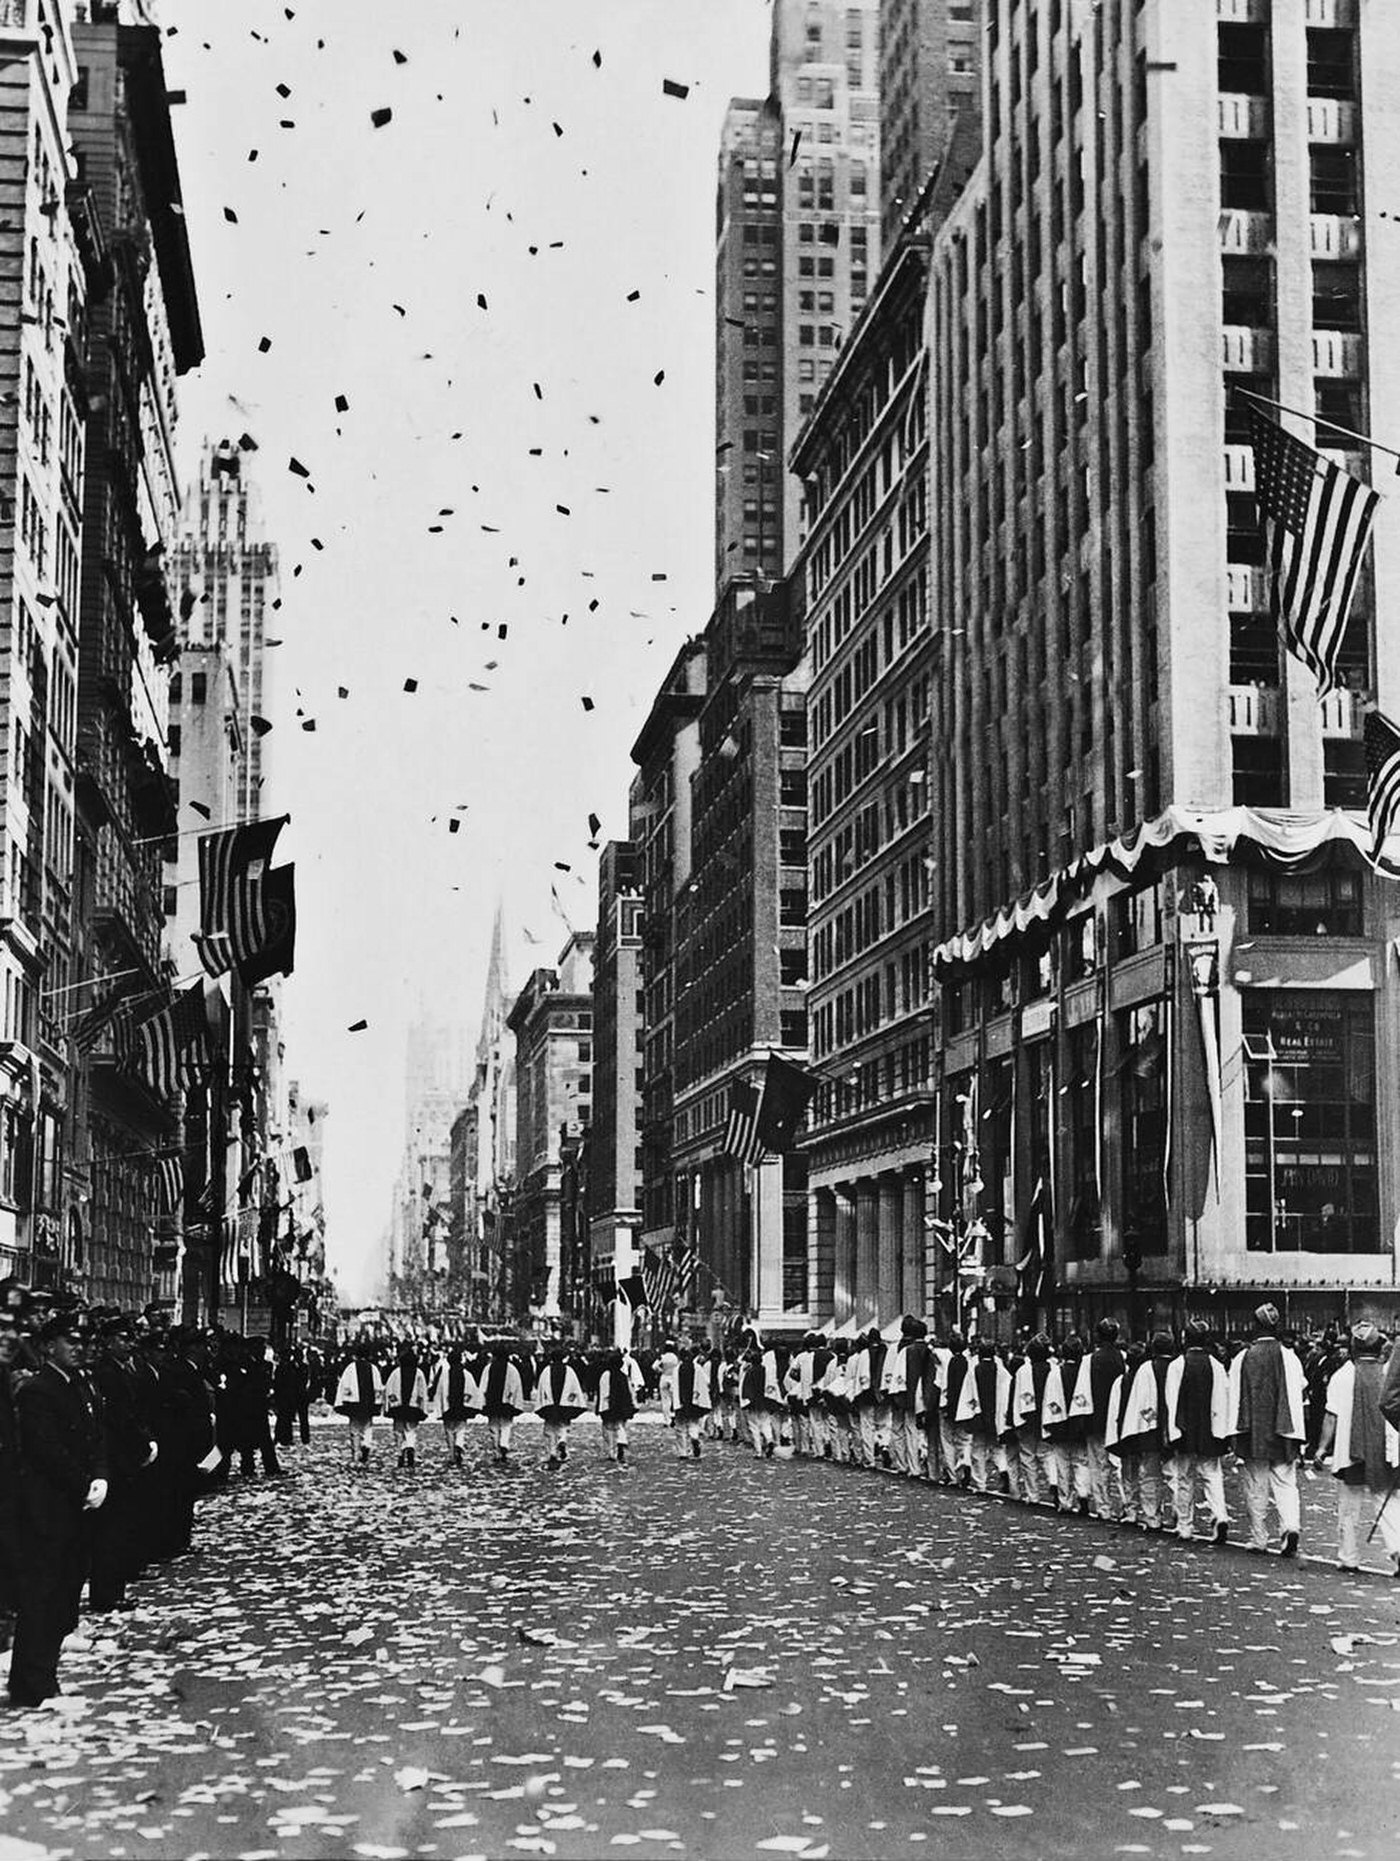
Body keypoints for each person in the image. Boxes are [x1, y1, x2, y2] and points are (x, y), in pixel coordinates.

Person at [8, 1311, 107, 1710]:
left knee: (64, 1589)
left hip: (76, 1503)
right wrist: (84, 1484)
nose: (79, 1349)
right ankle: (32, 1684)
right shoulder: (38, 1390)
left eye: (82, 1342)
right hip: (48, 1506)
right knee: (43, 1595)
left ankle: (44, 1676)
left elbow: (96, 1435)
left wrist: (100, 1476)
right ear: (49, 1346)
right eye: (71, 1342)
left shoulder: (78, 1384)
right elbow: (47, 1450)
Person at [1318, 1322, 1400, 1574]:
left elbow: (1331, 1416)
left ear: (1353, 1346)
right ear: (1379, 1347)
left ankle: (1349, 1556)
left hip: (1348, 1451)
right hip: (1381, 1449)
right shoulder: (1387, 1373)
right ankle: (1398, 1548)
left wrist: (1321, 1448)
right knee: (1387, 1503)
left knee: (1348, 1506)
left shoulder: (1342, 1376)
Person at [89, 1315, 158, 1614]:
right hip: (117, 1459)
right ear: (107, 1342)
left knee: (120, 1525)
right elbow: (120, 1419)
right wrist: (142, 1445)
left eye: (130, 1338)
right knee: (110, 1528)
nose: (128, 1343)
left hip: (125, 1457)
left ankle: (114, 1586)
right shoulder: (107, 1372)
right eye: (121, 1338)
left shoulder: (122, 1370)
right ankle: (107, 1592)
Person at [1228, 1301, 1306, 1556]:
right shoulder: (1290, 1357)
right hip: (1284, 1431)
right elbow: (1299, 1390)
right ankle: (1290, 1527)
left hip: (1253, 1434)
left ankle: (1259, 1537)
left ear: (1254, 1325)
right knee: (1286, 1482)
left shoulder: (1242, 1357)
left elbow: (1235, 1397)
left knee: (1255, 1484)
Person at [1165, 1320, 1232, 1544]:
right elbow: (1225, 1399)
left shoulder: (1177, 1365)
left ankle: (1185, 1525)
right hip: (1210, 1430)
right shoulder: (1216, 1365)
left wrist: (1173, 1432)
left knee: (1185, 1478)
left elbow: (1171, 1400)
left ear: (1185, 1339)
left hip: (1185, 1430)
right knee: (1213, 1475)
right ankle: (1220, 1515)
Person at [1070, 1319, 1126, 1522]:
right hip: (1119, 1421)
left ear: (1098, 1336)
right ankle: (1127, 1506)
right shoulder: (1123, 1358)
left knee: (1098, 1465)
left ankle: (1103, 1507)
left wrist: (1081, 1421)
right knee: (1120, 1465)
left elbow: (1082, 1393)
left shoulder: (1089, 1360)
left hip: (1096, 1420)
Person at [1011, 1334, 1057, 1507]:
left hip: (1028, 1419)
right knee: (1047, 1454)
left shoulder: (1023, 1372)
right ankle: (1054, 1481)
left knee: (1028, 1456)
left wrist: (1012, 1418)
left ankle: (1033, 1494)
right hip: (1048, 1417)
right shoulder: (1054, 1369)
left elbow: (1014, 1396)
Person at [533, 1344, 587, 1469]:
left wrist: (542, 1403)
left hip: (550, 1404)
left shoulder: (546, 1371)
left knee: (550, 1427)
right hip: (565, 1404)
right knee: (563, 1424)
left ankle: (552, 1452)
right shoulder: (569, 1371)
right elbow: (575, 1387)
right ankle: (562, 1440)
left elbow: (541, 1387)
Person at [429, 1343, 480, 1467]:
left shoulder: (444, 1375)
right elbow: (473, 1391)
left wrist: (440, 1406)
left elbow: (438, 1391)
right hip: (462, 1408)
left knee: (449, 1431)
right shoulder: (467, 1374)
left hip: (448, 1408)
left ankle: (452, 1454)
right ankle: (459, 1444)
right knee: (460, 1428)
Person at [334, 1340, 383, 1466]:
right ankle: (366, 1444)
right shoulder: (373, 1368)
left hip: (353, 1403)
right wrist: (378, 1402)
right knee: (367, 1425)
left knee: (354, 1427)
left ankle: (356, 1452)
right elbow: (378, 1386)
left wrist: (343, 1401)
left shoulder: (350, 1368)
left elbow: (343, 1385)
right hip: (369, 1403)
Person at [479, 1338, 527, 1464]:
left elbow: (483, 1386)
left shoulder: (488, 1368)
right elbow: (516, 1386)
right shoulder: (512, 1369)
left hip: (492, 1402)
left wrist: (482, 1402)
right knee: (506, 1425)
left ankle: (496, 1451)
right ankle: (504, 1443)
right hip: (507, 1403)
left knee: (493, 1426)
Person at [383, 1343, 430, 1470]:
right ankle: (410, 1447)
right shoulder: (419, 1373)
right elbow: (423, 1392)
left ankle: (400, 1453)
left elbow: (388, 1390)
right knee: (411, 1430)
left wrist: (390, 1404)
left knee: (398, 1431)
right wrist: (422, 1407)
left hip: (398, 1408)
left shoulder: (396, 1373)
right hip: (413, 1408)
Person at [667, 1343, 712, 1459]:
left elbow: (672, 1388)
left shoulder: (677, 1370)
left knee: (680, 1427)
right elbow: (707, 1381)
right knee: (693, 1423)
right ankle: (694, 1437)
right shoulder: (697, 1368)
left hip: (681, 1402)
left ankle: (682, 1452)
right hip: (694, 1401)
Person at [594, 1347, 636, 1466]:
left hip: (608, 1406)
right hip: (621, 1406)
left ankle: (612, 1451)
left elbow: (602, 1392)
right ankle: (622, 1441)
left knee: (608, 1429)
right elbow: (629, 1391)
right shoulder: (624, 1376)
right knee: (620, 1426)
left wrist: (600, 1408)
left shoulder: (605, 1375)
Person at [273, 1346, 312, 1449]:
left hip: (300, 1395)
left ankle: (304, 1438)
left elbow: (304, 1380)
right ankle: (284, 1438)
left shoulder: (303, 1367)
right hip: (289, 1395)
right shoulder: (287, 1367)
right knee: (286, 1418)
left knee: (302, 1418)